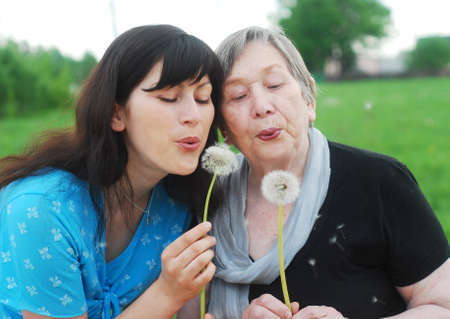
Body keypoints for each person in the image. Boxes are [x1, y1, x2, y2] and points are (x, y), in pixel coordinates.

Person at [207, 26, 450, 319]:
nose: (261, 106)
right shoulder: (207, 204)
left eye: (274, 85)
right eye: (238, 95)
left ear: (309, 100)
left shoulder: (380, 182)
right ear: (223, 129)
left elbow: (442, 305)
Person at [0, 24, 222, 319]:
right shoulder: (41, 210)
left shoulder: (180, 206)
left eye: (203, 98)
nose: (194, 116)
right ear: (116, 113)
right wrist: (167, 294)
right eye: (169, 97)